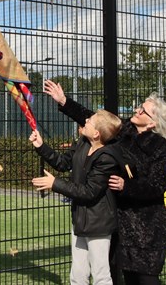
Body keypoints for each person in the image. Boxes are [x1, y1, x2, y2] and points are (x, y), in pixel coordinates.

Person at [44, 79, 166, 285]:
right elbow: (95, 121)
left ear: (153, 123)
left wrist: (127, 186)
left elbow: (158, 185)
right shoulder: (124, 131)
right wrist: (64, 101)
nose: (137, 110)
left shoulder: (159, 146)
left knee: (145, 278)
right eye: (140, 106)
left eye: (144, 110)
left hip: (146, 224)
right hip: (119, 219)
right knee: (118, 274)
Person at [30, 109, 123, 285]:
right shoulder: (83, 143)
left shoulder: (107, 157)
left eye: (91, 120)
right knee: (78, 274)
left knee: (101, 275)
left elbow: (89, 192)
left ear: (96, 133)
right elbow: (62, 162)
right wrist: (41, 145)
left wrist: (55, 184)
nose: (86, 120)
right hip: (80, 218)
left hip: (99, 223)